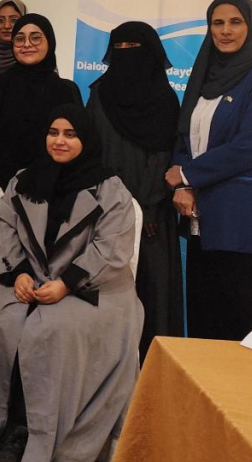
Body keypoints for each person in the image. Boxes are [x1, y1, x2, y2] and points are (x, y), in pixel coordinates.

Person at [0, 105, 142, 462]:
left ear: (86, 138)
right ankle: (9, 429)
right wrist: (18, 269)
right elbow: (2, 227)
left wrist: (67, 283)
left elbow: (112, 249)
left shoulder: (110, 188)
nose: (59, 141)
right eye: (53, 133)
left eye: (70, 134)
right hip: (29, 278)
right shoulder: (24, 179)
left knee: (51, 332)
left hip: (94, 288)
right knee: (4, 322)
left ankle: (42, 436)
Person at [165, 0, 252, 341]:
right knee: (207, 318)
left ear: (250, 27)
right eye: (217, 23)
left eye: (235, 22)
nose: (226, 30)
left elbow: (251, 145)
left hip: (247, 221)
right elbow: (184, 135)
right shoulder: (203, 78)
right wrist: (182, 184)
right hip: (204, 219)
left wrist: (189, 174)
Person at [86, 21, 183, 358]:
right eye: (120, 48)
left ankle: (152, 367)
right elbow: (91, 151)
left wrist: (150, 207)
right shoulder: (99, 94)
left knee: (152, 292)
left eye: (135, 48)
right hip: (105, 211)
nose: (127, 55)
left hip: (152, 215)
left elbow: (166, 156)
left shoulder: (165, 99)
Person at [0, 14, 82, 187]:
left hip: (53, 185)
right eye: (19, 39)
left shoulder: (66, 90)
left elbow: (77, 141)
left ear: (50, 41)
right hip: (0, 184)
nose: (27, 44)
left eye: (35, 38)